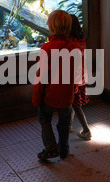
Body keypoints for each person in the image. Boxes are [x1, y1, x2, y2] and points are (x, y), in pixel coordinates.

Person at [32, 10, 79, 160]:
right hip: (66, 97)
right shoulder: (74, 48)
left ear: (51, 26)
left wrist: (36, 97)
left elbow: (41, 76)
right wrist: (74, 90)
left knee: (44, 119)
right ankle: (64, 149)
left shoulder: (46, 48)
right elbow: (76, 74)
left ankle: (51, 149)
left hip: (49, 96)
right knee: (64, 124)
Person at [69, 15, 92, 141]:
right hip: (83, 76)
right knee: (74, 103)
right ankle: (69, 126)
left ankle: (86, 130)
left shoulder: (70, 43)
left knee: (76, 105)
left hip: (74, 79)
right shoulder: (81, 40)